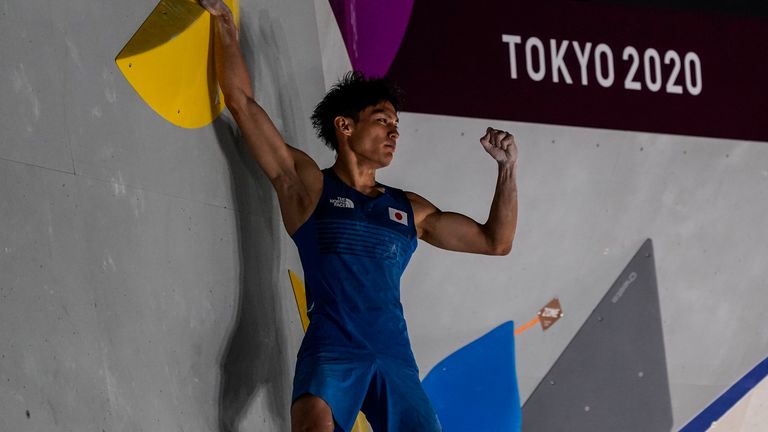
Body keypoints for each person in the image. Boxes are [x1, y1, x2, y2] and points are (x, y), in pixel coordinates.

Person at [198, 1, 519, 431]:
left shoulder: (410, 209)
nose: (394, 132)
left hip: (395, 361)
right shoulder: (308, 186)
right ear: (345, 126)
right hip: (333, 352)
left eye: (396, 126)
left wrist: (507, 168)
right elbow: (241, 103)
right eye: (383, 120)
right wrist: (223, 22)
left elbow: (496, 242)